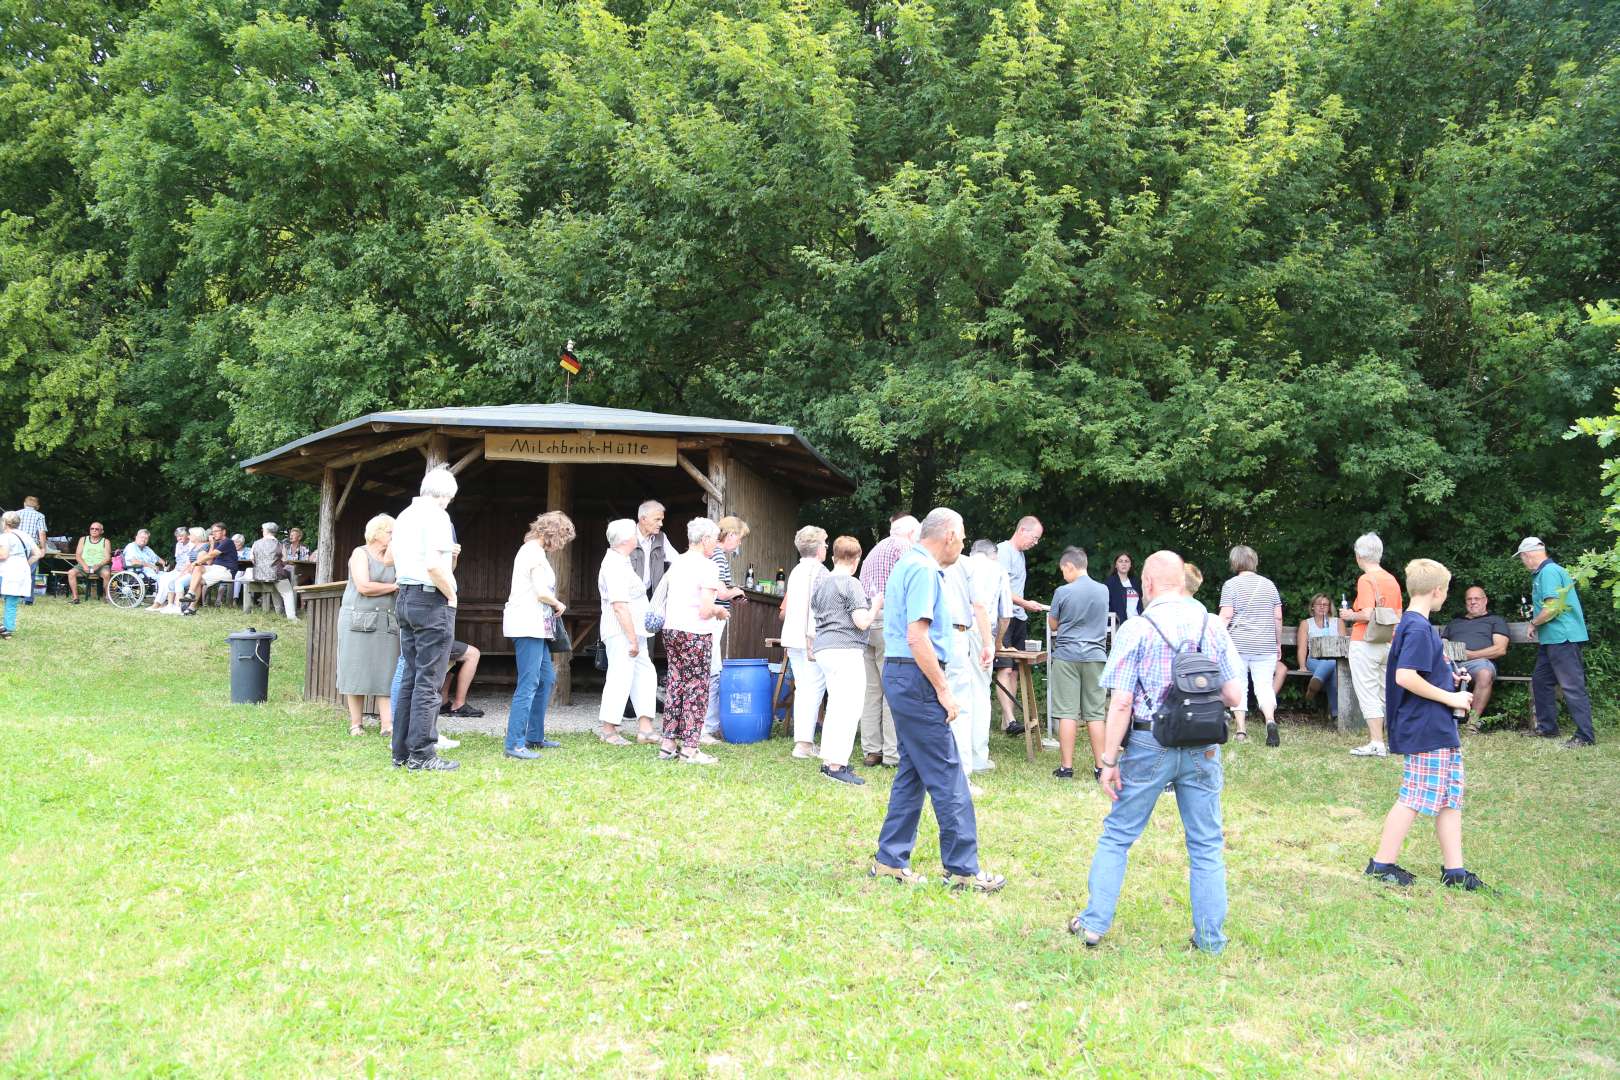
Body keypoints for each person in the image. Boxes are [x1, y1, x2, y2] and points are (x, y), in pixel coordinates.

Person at [1067, 551, 1244, 953]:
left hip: (1149, 741)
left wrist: (1108, 761)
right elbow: (1234, 694)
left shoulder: (1137, 628)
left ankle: (1094, 925)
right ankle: (1211, 940)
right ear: (1182, 581)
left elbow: (1121, 703)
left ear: (1146, 585)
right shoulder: (1212, 625)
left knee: (1117, 835)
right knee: (1205, 843)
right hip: (1204, 745)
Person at [870, 507, 1005, 893]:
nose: (962, 546)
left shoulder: (908, 564)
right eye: (961, 539)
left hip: (902, 674)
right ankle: (964, 869)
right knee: (948, 773)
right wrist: (944, 691)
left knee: (912, 772)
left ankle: (890, 861)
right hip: (916, 677)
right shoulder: (925, 570)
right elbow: (917, 637)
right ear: (948, 535)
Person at [1363, 559, 1485, 890]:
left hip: (1435, 726)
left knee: (1449, 795)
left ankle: (1455, 871)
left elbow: (1422, 670)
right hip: (1425, 726)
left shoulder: (1415, 625)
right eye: (1446, 591)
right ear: (1437, 591)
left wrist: (1450, 679)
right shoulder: (1417, 627)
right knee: (1415, 796)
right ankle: (1381, 864)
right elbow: (1405, 676)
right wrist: (1451, 698)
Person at [391, 467, 461, 771]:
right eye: (450, 499)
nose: (449, 504)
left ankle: (401, 752)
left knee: (410, 676)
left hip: (405, 595)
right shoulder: (438, 516)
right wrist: (452, 595)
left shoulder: (405, 515)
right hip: (430, 598)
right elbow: (434, 565)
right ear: (444, 495)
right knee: (429, 681)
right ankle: (422, 754)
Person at [501, 510, 575, 759]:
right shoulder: (532, 552)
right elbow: (541, 592)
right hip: (526, 624)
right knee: (529, 682)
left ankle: (534, 736)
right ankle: (514, 744)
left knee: (546, 678)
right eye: (562, 539)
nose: (561, 545)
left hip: (536, 626)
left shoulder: (534, 551)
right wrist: (558, 603)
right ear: (553, 533)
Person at [659, 517, 729, 763]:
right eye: (715, 539)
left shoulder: (677, 562)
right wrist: (720, 612)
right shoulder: (708, 566)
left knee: (676, 684)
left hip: (671, 629)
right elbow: (705, 609)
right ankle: (690, 748)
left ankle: (667, 745)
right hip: (695, 632)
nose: (716, 545)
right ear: (706, 539)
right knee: (697, 688)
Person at [813, 535, 881, 785]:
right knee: (849, 709)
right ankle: (836, 765)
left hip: (824, 649)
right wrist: (875, 605)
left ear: (833, 557)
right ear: (856, 559)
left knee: (834, 707)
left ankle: (829, 759)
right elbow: (862, 621)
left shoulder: (821, 583)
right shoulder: (851, 584)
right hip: (846, 649)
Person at [1516, 537, 1594, 748]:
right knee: (1540, 681)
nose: (1523, 563)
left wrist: (1533, 622)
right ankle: (1547, 728)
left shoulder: (1549, 572)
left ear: (1527, 555)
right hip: (1552, 640)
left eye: (1522, 558)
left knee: (1572, 686)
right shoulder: (1544, 573)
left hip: (1563, 638)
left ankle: (1585, 736)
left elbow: (1552, 608)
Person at [858, 515, 919, 767]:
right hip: (889, 623)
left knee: (871, 691)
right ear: (911, 532)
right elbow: (908, 587)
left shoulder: (874, 550)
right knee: (893, 688)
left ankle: (872, 750)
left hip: (866, 623)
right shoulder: (904, 548)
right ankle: (893, 754)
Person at [1048, 547, 1111, 780]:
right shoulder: (1103, 590)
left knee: (1067, 712)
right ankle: (1101, 767)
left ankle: (1066, 768)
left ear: (1070, 566)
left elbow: (1053, 625)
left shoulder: (1062, 591)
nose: (1063, 574)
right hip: (1095, 656)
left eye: (1063, 570)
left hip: (1067, 656)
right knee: (1095, 713)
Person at [337, 514, 399, 737]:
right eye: (391, 532)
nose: (394, 537)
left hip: (388, 620)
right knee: (355, 670)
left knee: (387, 671)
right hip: (357, 621)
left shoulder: (395, 557)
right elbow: (363, 586)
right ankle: (356, 724)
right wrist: (393, 587)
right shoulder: (359, 553)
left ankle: (387, 725)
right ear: (377, 533)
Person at [1342, 532, 1403, 757]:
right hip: (1389, 640)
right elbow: (1398, 613)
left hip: (1365, 641)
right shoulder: (1392, 579)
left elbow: (1367, 613)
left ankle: (1376, 742)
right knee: (1384, 692)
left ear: (1359, 555)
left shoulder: (1366, 579)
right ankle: (1389, 740)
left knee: (1367, 691)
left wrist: (1349, 615)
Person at [1218, 545, 1284, 747]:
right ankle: (1270, 721)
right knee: (1264, 685)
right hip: (1265, 645)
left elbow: (1227, 615)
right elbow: (1278, 617)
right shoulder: (1269, 585)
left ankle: (1241, 730)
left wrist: (1216, 636)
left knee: (1239, 685)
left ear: (1235, 562)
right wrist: (1278, 643)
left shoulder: (1231, 585)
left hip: (1238, 645)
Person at [597, 518, 654, 746]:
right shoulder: (613, 564)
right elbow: (619, 605)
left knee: (645, 674)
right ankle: (609, 730)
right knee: (620, 677)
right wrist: (631, 639)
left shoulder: (623, 561)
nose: (638, 537)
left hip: (634, 631)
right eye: (635, 533)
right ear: (627, 539)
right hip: (620, 631)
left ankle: (646, 728)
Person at [941, 540, 987, 798]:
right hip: (956, 634)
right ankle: (961, 776)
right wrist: (988, 642)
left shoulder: (921, 560)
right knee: (960, 705)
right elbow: (979, 605)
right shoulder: (966, 564)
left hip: (926, 635)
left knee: (929, 704)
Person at [780, 525, 830, 760]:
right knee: (813, 689)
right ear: (819, 547)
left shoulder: (797, 570)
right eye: (825, 543)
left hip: (793, 637)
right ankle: (803, 744)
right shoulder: (819, 572)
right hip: (809, 638)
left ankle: (803, 741)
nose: (827, 547)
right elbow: (819, 609)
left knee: (804, 688)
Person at [995, 516, 1048, 737]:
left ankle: (1007, 721)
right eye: (1034, 538)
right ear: (1022, 530)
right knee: (1005, 667)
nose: (1035, 543)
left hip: (1019, 618)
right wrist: (1027, 603)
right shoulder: (1003, 551)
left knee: (1015, 670)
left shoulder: (1021, 555)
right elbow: (1001, 588)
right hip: (1003, 616)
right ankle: (1010, 720)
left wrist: (1025, 608)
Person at [963, 540, 1011, 772]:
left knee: (958, 691)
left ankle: (959, 754)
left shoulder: (960, 564)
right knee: (980, 692)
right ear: (993, 554)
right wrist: (997, 642)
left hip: (957, 632)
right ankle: (978, 757)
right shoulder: (998, 570)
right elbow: (1006, 614)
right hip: (982, 634)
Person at [702, 516, 750, 744]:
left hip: (710, 617)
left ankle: (706, 725)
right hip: (712, 619)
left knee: (710, 667)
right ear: (730, 535)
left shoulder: (714, 555)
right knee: (712, 669)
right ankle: (707, 727)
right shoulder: (719, 556)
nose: (739, 544)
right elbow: (720, 593)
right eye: (739, 539)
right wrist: (737, 591)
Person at [1440, 586, 1509, 733]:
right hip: (1452, 662)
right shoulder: (1455, 622)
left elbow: (1500, 649)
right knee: (1432, 671)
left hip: (1479, 662)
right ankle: (1439, 722)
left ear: (1485, 601)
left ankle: (1472, 723)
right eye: (1469, 599)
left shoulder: (1495, 620)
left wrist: (1470, 655)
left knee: (1485, 673)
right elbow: (1442, 645)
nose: (1473, 602)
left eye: (1476, 598)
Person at [1297, 594, 1343, 719]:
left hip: (1335, 660)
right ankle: (1336, 715)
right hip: (1314, 660)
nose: (1322, 607)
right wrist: (1302, 666)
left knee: (1332, 667)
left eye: (1325, 604)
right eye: (1318, 604)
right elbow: (1302, 647)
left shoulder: (1338, 622)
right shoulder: (1306, 624)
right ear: (1312, 607)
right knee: (1331, 666)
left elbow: (1344, 645)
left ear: (1329, 607)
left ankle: (1314, 686)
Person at [180, 523, 240, 613]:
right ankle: (191, 594)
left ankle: (191, 607)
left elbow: (212, 554)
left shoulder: (228, 542)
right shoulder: (217, 543)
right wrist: (212, 544)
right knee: (198, 568)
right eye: (213, 532)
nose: (214, 534)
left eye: (216, 531)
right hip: (214, 567)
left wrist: (195, 562)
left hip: (226, 571)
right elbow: (209, 561)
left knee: (198, 579)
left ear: (224, 532)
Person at [0, 511, 41, 637]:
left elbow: (4, 555)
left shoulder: (5, 536)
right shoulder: (25, 535)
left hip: (6, 570)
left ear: (5, 523)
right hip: (21, 570)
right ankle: (7, 629)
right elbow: (38, 553)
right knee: (12, 601)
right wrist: (26, 563)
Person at [247, 523, 297, 618]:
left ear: (266, 531)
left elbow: (252, 559)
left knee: (275, 588)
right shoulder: (279, 545)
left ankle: (279, 612)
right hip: (276, 574)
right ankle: (292, 617)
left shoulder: (256, 543)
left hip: (259, 575)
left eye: (262, 530)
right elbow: (285, 560)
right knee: (288, 593)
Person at [151, 527, 205, 612]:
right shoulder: (178, 545)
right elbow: (178, 560)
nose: (179, 538)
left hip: (186, 570)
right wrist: (174, 571)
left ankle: (162, 604)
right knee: (163, 578)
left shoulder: (192, 544)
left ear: (187, 535)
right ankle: (165, 604)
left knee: (171, 580)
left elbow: (189, 562)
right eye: (177, 536)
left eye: (181, 536)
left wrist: (181, 574)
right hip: (178, 569)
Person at [628, 500, 672, 597]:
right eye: (657, 519)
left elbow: (677, 562)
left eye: (662, 520)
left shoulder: (661, 537)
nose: (661, 524)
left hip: (652, 596)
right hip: (629, 597)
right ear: (643, 519)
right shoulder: (627, 537)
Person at [68, 522, 113, 603]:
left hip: (100, 565)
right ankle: (75, 598)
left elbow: (107, 558)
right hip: (84, 564)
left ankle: (107, 597)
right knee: (71, 572)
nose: (94, 530)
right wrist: (84, 565)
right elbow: (78, 555)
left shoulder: (105, 541)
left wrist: (98, 565)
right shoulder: (83, 539)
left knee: (106, 574)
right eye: (92, 528)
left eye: (97, 529)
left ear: (101, 531)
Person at [439, 641, 485, 718]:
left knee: (455, 656)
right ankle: (458, 705)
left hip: (422, 641)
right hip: (430, 641)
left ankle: (443, 702)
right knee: (473, 654)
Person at [16, 497, 46, 605]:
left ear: (24, 504)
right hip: (32, 547)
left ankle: (11, 596)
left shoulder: (16, 514)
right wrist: (43, 548)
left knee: (15, 571)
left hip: (17, 546)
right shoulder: (40, 516)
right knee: (30, 573)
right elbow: (41, 533)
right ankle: (28, 600)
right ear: (37, 506)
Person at [1105, 552, 1143, 629]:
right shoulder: (1109, 583)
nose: (1124, 564)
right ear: (1116, 565)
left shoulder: (1136, 583)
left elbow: (1141, 604)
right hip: (1118, 626)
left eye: (1127, 561)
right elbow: (1106, 607)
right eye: (1120, 561)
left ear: (1130, 565)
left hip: (1137, 625)